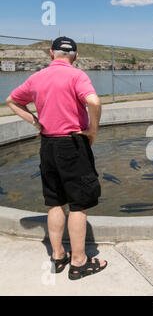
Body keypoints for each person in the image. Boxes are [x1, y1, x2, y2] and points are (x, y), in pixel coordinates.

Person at [5, 36, 107, 280]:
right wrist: (92, 130)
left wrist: (35, 122)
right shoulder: (76, 75)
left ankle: (58, 256)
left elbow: (11, 100)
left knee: (55, 201)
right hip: (72, 144)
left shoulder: (37, 77)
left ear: (51, 54)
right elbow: (93, 100)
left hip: (48, 144)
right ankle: (79, 262)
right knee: (78, 204)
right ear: (76, 55)